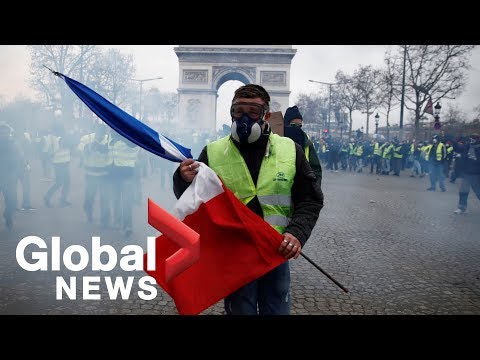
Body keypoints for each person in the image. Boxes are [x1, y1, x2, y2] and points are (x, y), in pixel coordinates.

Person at [173, 84, 324, 315]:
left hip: (275, 249)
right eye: (238, 111)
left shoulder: (290, 150)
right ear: (231, 112)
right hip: (234, 253)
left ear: (267, 115)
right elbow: (191, 200)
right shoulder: (212, 152)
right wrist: (183, 179)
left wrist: (297, 232)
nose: (244, 117)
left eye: (253, 112)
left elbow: (310, 199)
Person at [283, 105, 323, 184]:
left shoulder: (306, 141)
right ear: (286, 124)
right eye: (293, 125)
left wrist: (315, 187)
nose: (297, 128)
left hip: (302, 187)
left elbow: (316, 168)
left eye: (300, 125)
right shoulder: (276, 140)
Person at [0, 123, 24, 230]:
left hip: (9, 176)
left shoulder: (13, 144)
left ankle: (8, 215)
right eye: (2, 132)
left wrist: (18, 169)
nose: (4, 134)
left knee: (12, 199)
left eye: (6, 132)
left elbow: (19, 157)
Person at [452, 133, 480, 214]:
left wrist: (475, 160)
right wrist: (454, 142)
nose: (471, 140)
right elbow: (458, 148)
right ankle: (462, 207)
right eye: (470, 138)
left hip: (476, 174)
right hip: (466, 173)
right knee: (463, 190)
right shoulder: (467, 146)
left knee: (478, 191)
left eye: (473, 139)